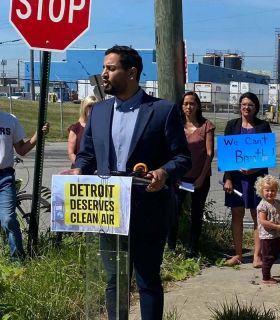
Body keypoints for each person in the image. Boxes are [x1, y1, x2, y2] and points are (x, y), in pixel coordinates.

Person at [61, 45, 191, 320]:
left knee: (147, 281)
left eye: (111, 68)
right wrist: (78, 169)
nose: (103, 74)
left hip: (149, 210)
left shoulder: (162, 110)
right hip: (109, 211)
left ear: (131, 73)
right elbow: (87, 154)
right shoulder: (99, 112)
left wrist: (163, 173)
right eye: (104, 67)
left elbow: (182, 157)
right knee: (114, 281)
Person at [222, 92, 272, 267]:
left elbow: (268, 155)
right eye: (243, 104)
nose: (246, 107)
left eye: (250, 104)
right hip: (235, 178)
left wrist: (254, 169)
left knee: (257, 215)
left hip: (256, 178)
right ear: (239, 107)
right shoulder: (231, 126)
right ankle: (238, 254)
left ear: (256, 107)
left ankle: (257, 256)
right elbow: (226, 155)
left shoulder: (263, 126)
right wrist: (228, 178)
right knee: (237, 214)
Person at [167, 91, 215, 257]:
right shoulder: (176, 125)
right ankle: (171, 247)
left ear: (198, 105)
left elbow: (209, 153)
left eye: (192, 103)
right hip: (178, 178)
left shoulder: (206, 126)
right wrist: (174, 175)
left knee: (196, 213)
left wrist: (202, 177)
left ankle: (192, 248)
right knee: (173, 213)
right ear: (181, 106)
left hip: (199, 178)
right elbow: (170, 151)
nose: (188, 107)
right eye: (185, 103)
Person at [0, 111, 48, 260]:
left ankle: (18, 260)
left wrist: (37, 136)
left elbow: (21, 149)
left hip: (5, 177)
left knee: (8, 219)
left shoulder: (9, 119)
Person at [67, 95, 97, 165]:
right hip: (80, 170)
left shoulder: (101, 127)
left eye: (95, 106)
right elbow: (71, 153)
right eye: (89, 106)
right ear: (84, 108)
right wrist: (79, 166)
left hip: (98, 170)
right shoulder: (75, 128)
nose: (92, 108)